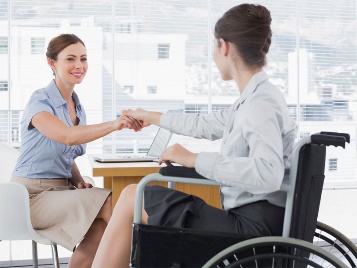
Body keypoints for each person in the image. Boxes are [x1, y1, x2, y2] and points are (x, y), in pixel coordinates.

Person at [91, 3, 297, 267]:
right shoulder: (253, 99)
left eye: (214, 47)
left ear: (224, 46)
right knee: (136, 195)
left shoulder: (260, 104)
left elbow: (268, 173)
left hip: (252, 232)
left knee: (134, 195)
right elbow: (203, 124)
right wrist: (150, 116)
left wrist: (193, 159)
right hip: (251, 222)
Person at [11, 34, 141, 268]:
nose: (79, 65)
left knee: (100, 230)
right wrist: (115, 124)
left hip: (61, 191)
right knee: (113, 202)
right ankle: (154, 258)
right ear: (52, 63)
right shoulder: (39, 101)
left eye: (83, 58)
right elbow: (67, 137)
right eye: (70, 59)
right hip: (29, 197)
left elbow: (65, 154)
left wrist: (79, 181)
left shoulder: (76, 105)